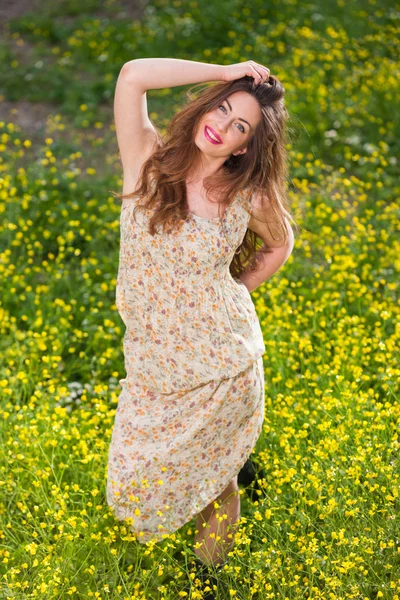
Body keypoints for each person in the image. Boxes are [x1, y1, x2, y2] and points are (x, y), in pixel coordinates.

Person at [106, 58, 297, 574]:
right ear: (205, 104)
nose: (223, 125)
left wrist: (234, 291)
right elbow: (132, 76)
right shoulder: (145, 159)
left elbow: (281, 244)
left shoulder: (243, 194)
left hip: (222, 368)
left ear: (245, 147)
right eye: (223, 107)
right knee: (129, 484)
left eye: (241, 126)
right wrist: (226, 69)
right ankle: (238, 458)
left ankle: (206, 578)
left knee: (218, 485)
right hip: (154, 364)